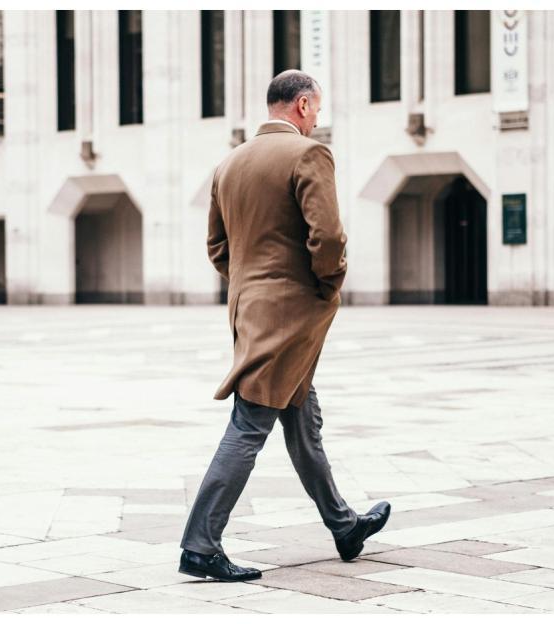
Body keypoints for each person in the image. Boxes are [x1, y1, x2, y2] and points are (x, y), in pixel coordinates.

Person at [178, 70, 391, 582]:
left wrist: (252, 286)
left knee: (302, 419)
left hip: (250, 309)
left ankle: (344, 526)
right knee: (251, 423)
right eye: (315, 109)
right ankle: (200, 545)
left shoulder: (228, 163)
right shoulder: (307, 155)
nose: (317, 118)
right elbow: (329, 237)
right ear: (300, 105)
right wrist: (325, 285)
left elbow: (217, 247)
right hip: (291, 315)